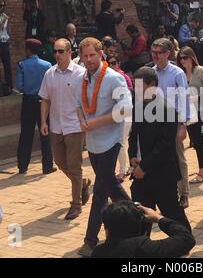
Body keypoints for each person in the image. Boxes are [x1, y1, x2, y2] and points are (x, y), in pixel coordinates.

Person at [76, 37, 133, 257]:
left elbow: (124, 110)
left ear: (101, 54)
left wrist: (96, 122)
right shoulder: (83, 79)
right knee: (110, 185)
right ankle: (136, 212)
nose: (89, 59)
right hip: (92, 142)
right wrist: (82, 120)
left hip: (111, 140)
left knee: (99, 191)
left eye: (92, 55)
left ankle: (90, 240)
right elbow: (78, 105)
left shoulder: (113, 79)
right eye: (85, 55)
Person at [129, 66, 191, 232]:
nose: (137, 91)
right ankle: (141, 244)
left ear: (153, 85)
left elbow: (165, 146)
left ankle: (184, 239)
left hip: (162, 174)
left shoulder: (167, 110)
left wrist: (144, 167)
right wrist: (132, 156)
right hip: (140, 173)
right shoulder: (138, 107)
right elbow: (133, 135)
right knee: (140, 214)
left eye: (140, 86)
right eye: (135, 87)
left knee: (171, 212)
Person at [39, 38, 91, 221]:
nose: (57, 55)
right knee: (61, 163)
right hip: (56, 125)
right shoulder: (49, 74)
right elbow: (45, 99)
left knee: (75, 165)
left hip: (75, 125)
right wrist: (43, 122)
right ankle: (81, 184)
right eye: (55, 51)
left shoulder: (81, 74)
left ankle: (76, 204)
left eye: (61, 51)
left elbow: (88, 99)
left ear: (70, 52)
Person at [151, 38, 190, 209]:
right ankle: (167, 191)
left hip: (173, 122)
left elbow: (184, 99)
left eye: (159, 52)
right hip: (154, 121)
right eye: (153, 52)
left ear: (168, 53)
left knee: (178, 158)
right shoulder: (150, 73)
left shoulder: (177, 73)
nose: (155, 56)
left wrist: (182, 125)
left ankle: (184, 193)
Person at [91, 201, 195, 258]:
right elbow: (186, 238)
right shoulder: (145, 248)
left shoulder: (98, 253)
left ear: (106, 229)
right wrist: (158, 218)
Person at [15, 39, 55, 175]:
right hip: (43, 101)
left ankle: (22, 165)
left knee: (26, 133)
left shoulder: (21, 65)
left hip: (28, 101)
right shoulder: (47, 65)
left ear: (28, 50)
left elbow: (19, 86)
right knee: (45, 133)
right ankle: (48, 166)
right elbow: (51, 84)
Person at [177, 47, 203, 184]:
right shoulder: (180, 73)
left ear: (192, 57)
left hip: (201, 111)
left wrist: (196, 97)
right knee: (195, 142)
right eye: (181, 58)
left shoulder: (200, 70)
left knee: (201, 141)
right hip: (188, 112)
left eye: (186, 57)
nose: (183, 60)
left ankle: (202, 172)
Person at [107, 55, 133, 182]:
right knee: (122, 142)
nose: (111, 65)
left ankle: (123, 170)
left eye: (113, 63)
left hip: (124, 113)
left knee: (121, 142)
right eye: (109, 63)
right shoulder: (107, 78)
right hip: (115, 115)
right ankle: (126, 167)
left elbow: (128, 95)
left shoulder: (122, 77)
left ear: (118, 63)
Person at [0, 0, 13, 91]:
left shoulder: (4, 15)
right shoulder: (4, 17)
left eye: (4, 5)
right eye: (1, 5)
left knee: (7, 64)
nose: (2, 7)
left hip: (4, 42)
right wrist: (4, 20)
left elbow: (5, 30)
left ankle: (10, 86)